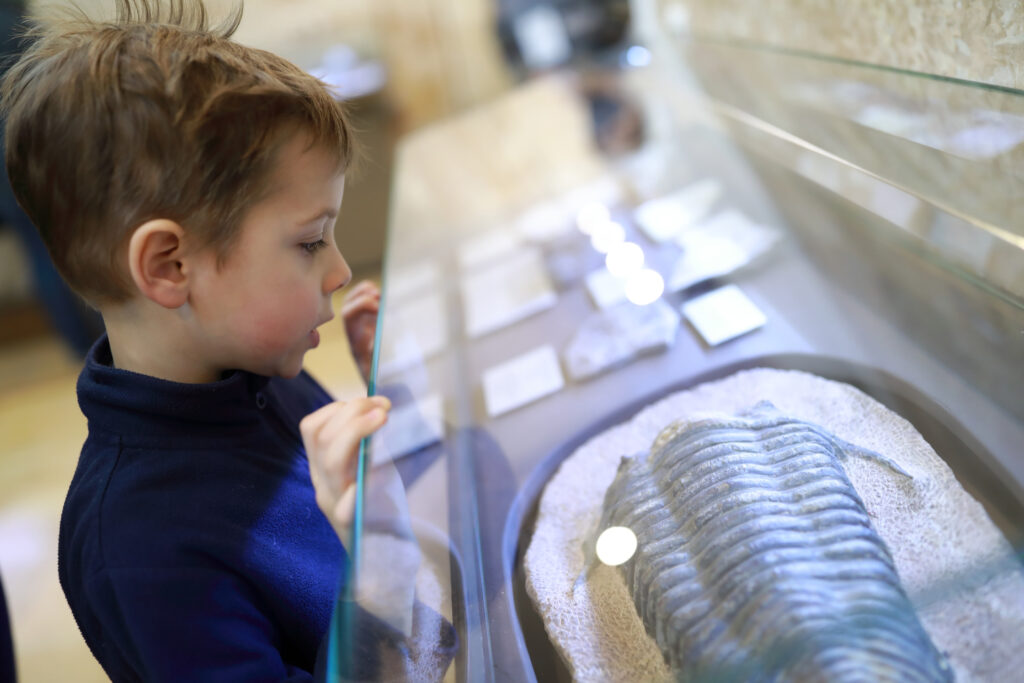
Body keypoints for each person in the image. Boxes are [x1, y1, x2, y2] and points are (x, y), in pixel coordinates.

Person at [0, 0, 391, 679]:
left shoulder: (264, 372)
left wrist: (388, 390)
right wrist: (374, 567)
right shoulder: (137, 550)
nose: (340, 270)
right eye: (308, 241)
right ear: (169, 267)